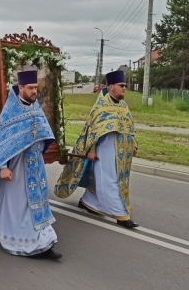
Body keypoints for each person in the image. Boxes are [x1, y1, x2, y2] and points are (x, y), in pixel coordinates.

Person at [0, 68, 61, 259]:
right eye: (31, 88)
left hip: (35, 167)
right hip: (15, 168)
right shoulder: (10, 112)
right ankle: (18, 240)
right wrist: (3, 167)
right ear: (21, 87)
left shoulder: (35, 107)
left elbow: (44, 134)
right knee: (17, 206)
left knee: (36, 204)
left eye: (36, 88)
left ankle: (44, 241)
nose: (35, 91)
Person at [55, 70, 139, 228]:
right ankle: (122, 215)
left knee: (108, 180)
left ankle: (88, 202)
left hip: (122, 153)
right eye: (122, 86)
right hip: (105, 151)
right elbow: (92, 130)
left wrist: (134, 144)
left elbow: (130, 127)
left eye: (125, 86)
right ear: (111, 86)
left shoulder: (123, 105)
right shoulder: (101, 106)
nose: (124, 89)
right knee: (111, 180)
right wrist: (91, 150)